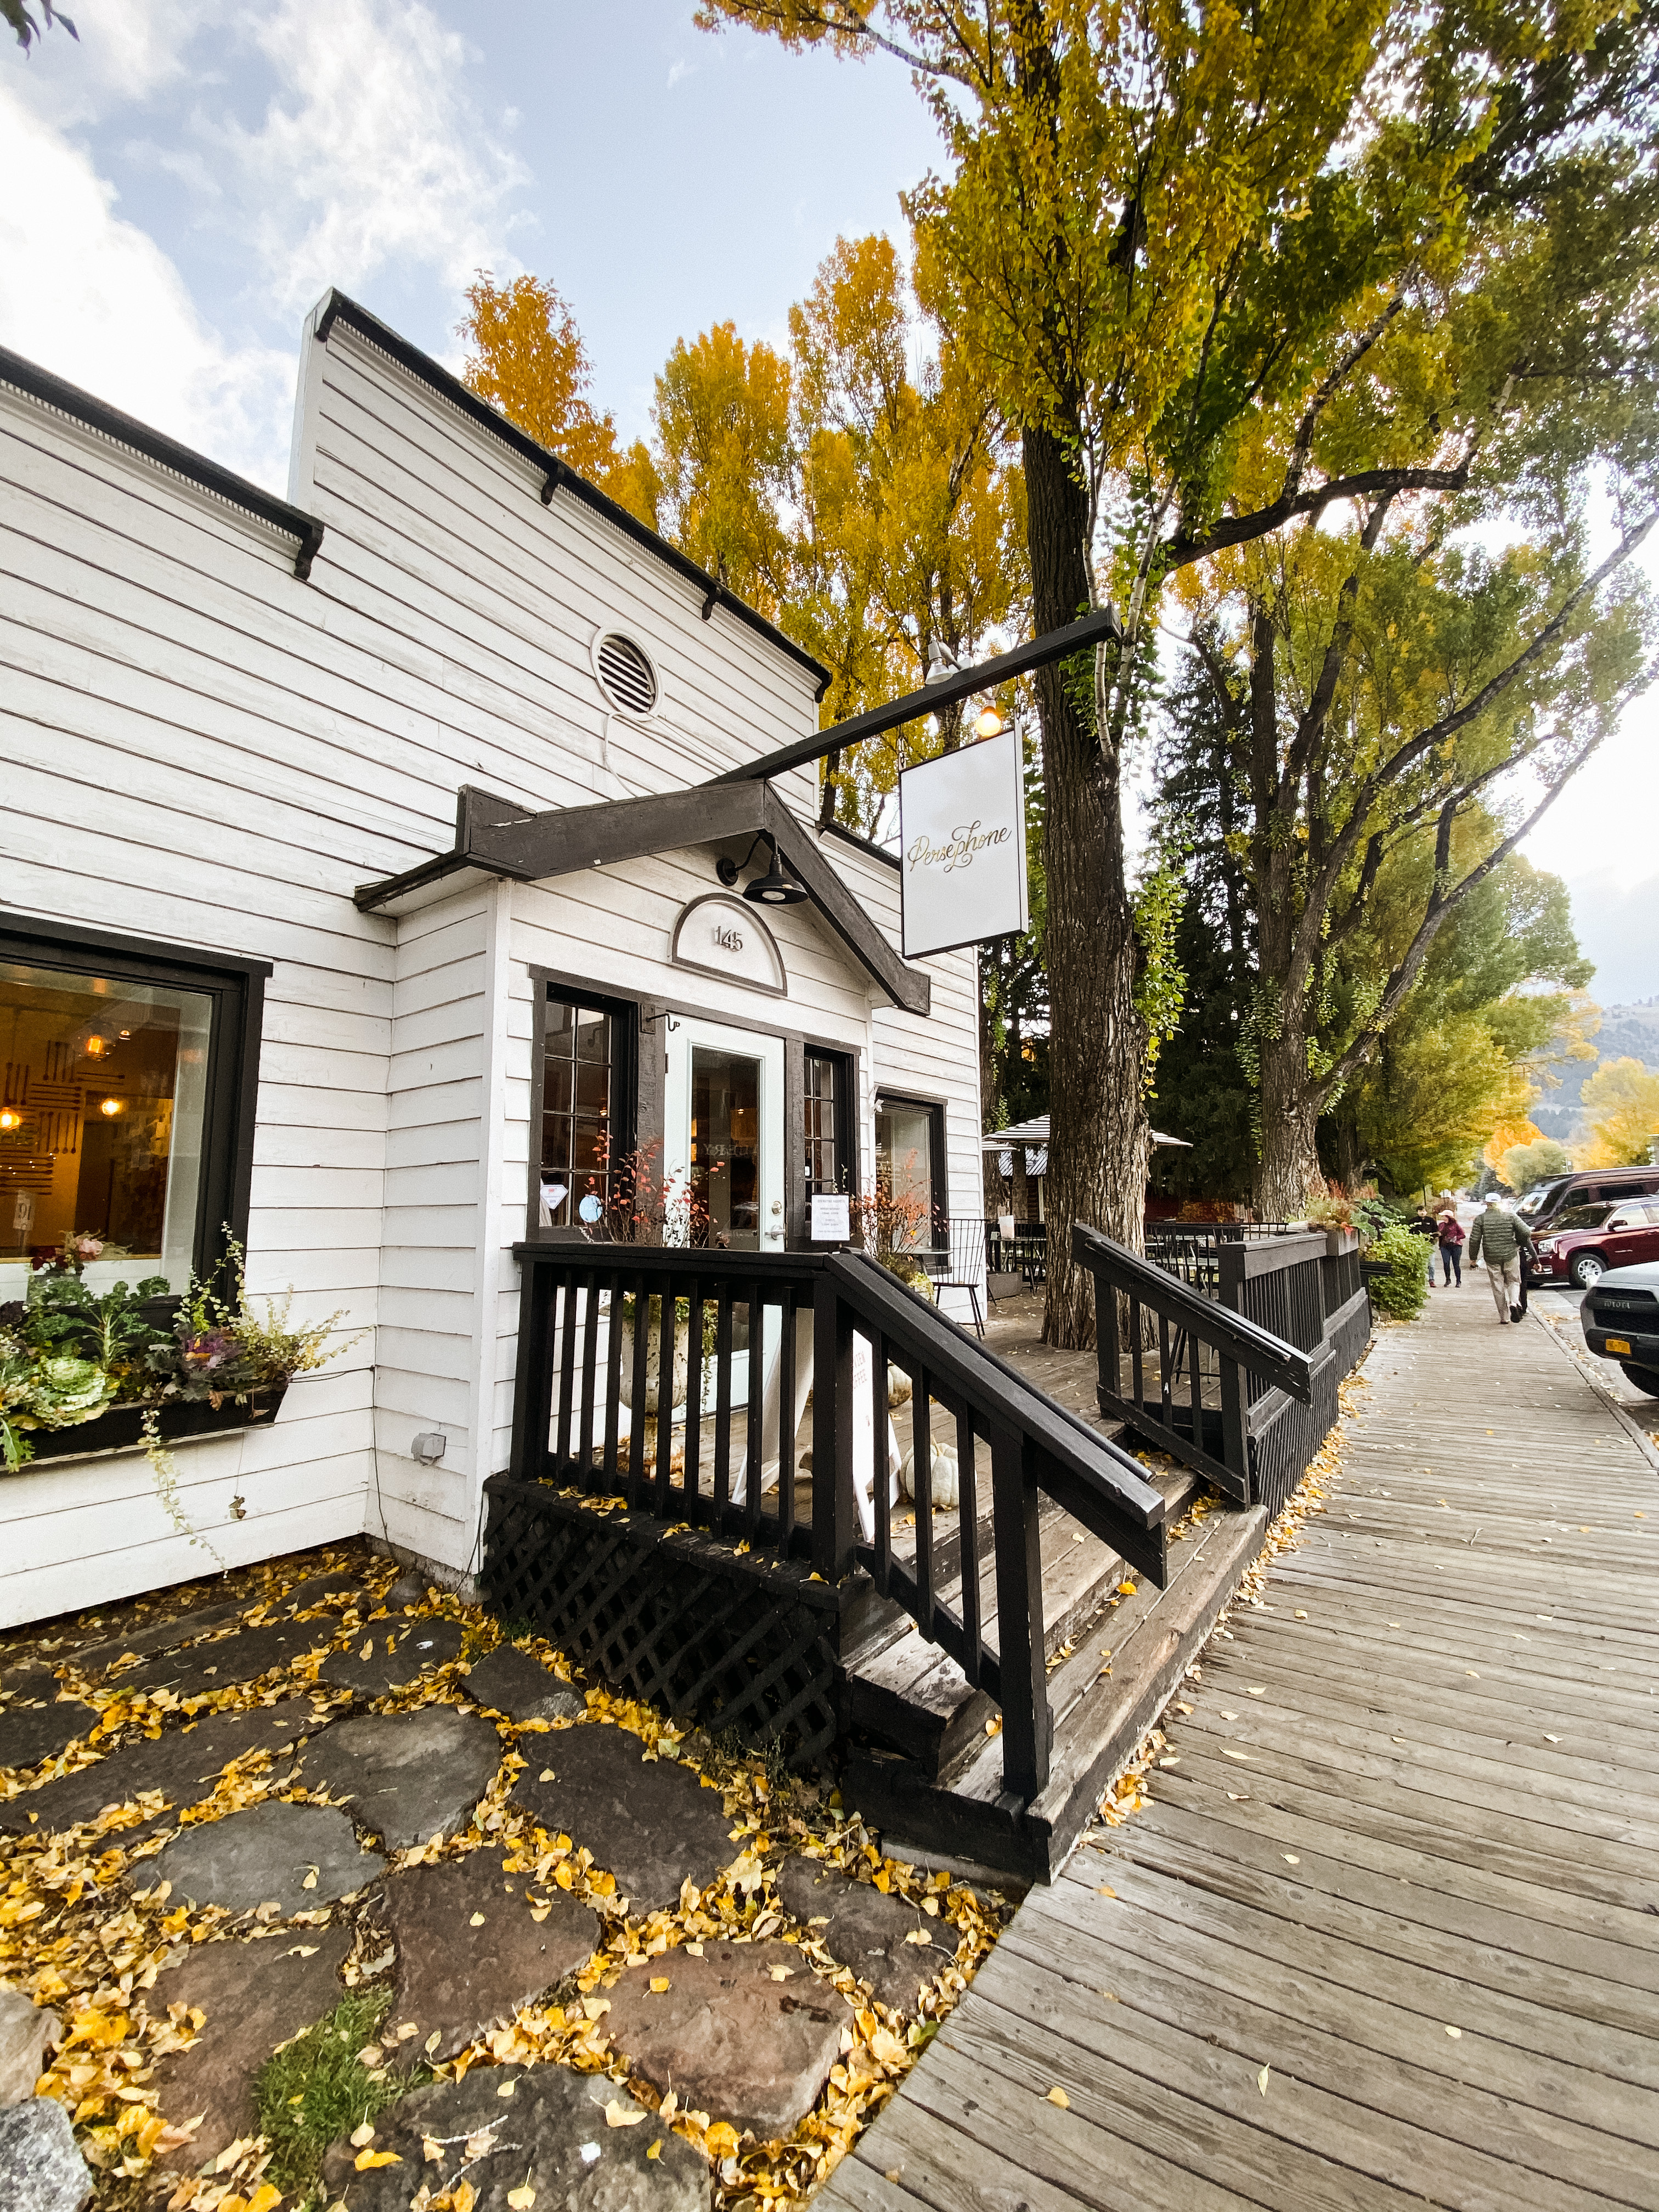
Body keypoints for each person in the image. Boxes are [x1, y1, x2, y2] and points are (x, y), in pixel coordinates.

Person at [1466, 1196, 1534, 1324]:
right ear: (1499, 1203)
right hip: (1511, 1254)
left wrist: (1473, 1259)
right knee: (1514, 1281)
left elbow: (1475, 1240)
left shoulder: (1481, 1219)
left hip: (1491, 1256)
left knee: (1497, 1285)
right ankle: (1514, 1302)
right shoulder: (1510, 1216)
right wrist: (1518, 1243)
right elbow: (1526, 1232)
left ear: (1486, 1203)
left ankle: (1504, 1318)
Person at [1436, 1209, 1465, 1288]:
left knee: (1456, 1264)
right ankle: (1448, 1280)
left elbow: (1463, 1235)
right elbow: (1439, 1234)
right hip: (1444, 1246)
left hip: (1456, 1246)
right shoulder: (1441, 1225)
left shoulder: (1456, 1225)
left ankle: (1458, 1281)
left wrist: (1454, 1238)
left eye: (1443, 1215)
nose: (1441, 1217)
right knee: (1446, 1263)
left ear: (1447, 1217)